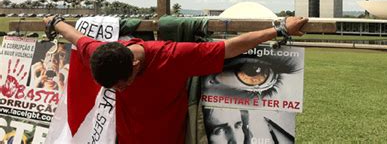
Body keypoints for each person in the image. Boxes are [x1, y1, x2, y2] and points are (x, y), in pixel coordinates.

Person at [43, 15, 308, 143]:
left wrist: (280, 29)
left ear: (135, 64)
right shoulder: (100, 52)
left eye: (123, 84)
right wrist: (54, 21)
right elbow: (74, 35)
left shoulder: (172, 56)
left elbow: (230, 47)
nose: (120, 91)